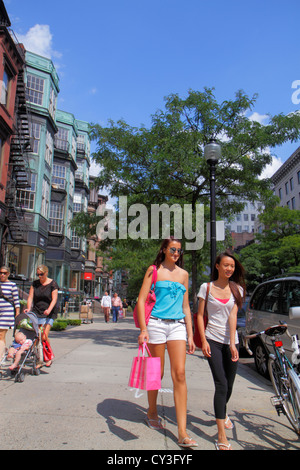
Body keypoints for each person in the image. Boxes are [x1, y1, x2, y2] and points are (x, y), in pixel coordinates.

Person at [137, 237, 197, 448]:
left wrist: (191, 334)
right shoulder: (154, 270)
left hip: (177, 325)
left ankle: (182, 431)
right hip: (155, 325)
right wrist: (144, 329)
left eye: (179, 250)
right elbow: (141, 300)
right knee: (157, 372)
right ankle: (152, 411)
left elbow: (187, 306)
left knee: (179, 373)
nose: (176, 253)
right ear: (163, 250)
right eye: (172, 249)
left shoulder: (184, 275)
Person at [196, 250, 246, 451]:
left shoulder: (237, 290)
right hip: (213, 340)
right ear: (217, 266)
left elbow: (233, 316)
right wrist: (204, 341)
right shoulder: (206, 288)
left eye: (232, 266)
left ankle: (222, 413)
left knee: (230, 385)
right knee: (222, 384)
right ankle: (221, 435)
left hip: (230, 342)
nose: (229, 269)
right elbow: (200, 315)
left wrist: (234, 344)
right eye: (226, 265)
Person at [25, 265, 58, 367]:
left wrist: (49, 309)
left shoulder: (53, 284)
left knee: (43, 336)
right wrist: (28, 308)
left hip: (49, 313)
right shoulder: (35, 284)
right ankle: (39, 356)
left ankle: (47, 357)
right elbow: (30, 297)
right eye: (38, 274)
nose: (39, 276)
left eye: (41, 274)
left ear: (46, 273)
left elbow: (54, 299)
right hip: (37, 311)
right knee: (36, 336)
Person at [0, 266, 20, 360]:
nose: (2, 275)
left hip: (6, 312)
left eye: (4, 273)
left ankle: (0, 357)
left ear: (8, 274)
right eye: (1, 273)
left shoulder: (12, 285)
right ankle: (3, 350)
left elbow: (16, 300)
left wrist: (17, 313)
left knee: (1, 334)